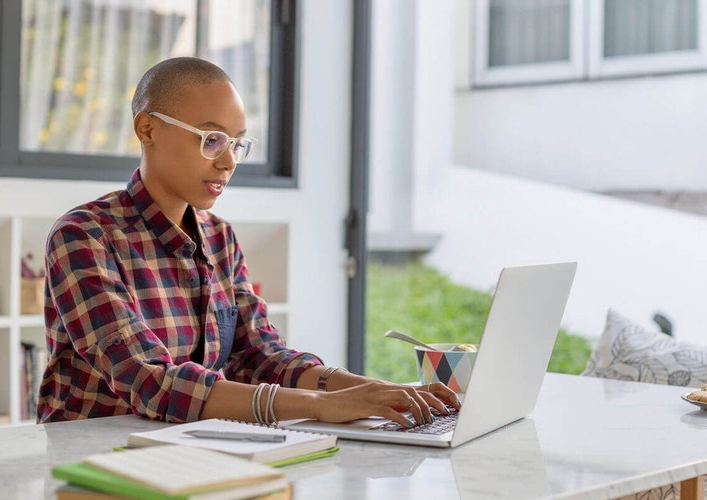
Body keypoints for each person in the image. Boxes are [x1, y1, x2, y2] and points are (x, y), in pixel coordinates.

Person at [37, 57, 459, 428]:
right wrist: (322, 404)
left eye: (237, 143)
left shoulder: (219, 237)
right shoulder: (84, 237)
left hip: (189, 449)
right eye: (211, 139)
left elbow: (261, 356)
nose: (228, 161)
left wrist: (378, 390)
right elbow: (152, 382)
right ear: (148, 129)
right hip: (96, 463)